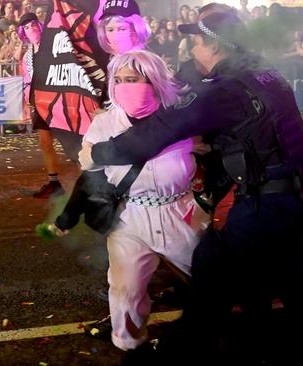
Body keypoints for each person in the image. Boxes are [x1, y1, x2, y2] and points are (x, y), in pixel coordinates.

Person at [79, 10, 303, 363]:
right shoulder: (264, 73)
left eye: (195, 42)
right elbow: (255, 131)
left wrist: (97, 154)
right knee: (287, 270)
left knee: (213, 268)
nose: (192, 52)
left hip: (269, 200)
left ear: (213, 44)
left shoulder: (223, 90)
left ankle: (182, 350)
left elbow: (157, 132)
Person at [50, 50, 210, 352]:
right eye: (119, 80)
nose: (125, 86)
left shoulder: (182, 118)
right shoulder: (104, 125)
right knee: (125, 292)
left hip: (181, 213)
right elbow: (90, 178)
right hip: (128, 219)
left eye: (133, 80)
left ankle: (206, 337)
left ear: (154, 80)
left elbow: (212, 157)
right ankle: (130, 347)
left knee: (211, 282)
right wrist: (67, 218)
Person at [15, 12, 64, 199]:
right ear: (23, 33)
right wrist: (28, 102)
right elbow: (27, 80)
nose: (31, 29)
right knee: (45, 143)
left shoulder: (53, 47)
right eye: (27, 27)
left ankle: (93, 180)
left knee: (72, 142)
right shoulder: (27, 57)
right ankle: (54, 184)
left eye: (34, 25)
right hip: (39, 102)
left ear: (40, 26)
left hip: (58, 101)